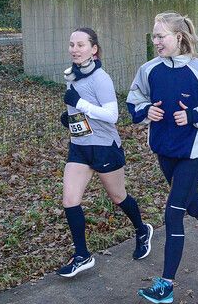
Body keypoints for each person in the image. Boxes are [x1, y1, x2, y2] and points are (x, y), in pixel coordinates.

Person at [127, 12, 198, 304]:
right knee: (191, 203)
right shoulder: (148, 70)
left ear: (179, 37)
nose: (156, 41)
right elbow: (134, 100)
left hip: (194, 154)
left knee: (174, 212)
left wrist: (193, 115)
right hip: (165, 150)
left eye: (161, 36)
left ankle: (166, 285)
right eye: (154, 36)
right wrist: (146, 110)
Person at [57, 28, 153, 277]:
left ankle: (142, 230)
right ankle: (82, 255)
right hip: (79, 146)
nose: (74, 49)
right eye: (71, 45)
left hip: (104, 147)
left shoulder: (101, 79)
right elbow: (82, 110)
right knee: (70, 200)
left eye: (80, 45)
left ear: (94, 49)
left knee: (118, 196)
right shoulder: (72, 76)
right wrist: (71, 117)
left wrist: (80, 105)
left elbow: (112, 115)